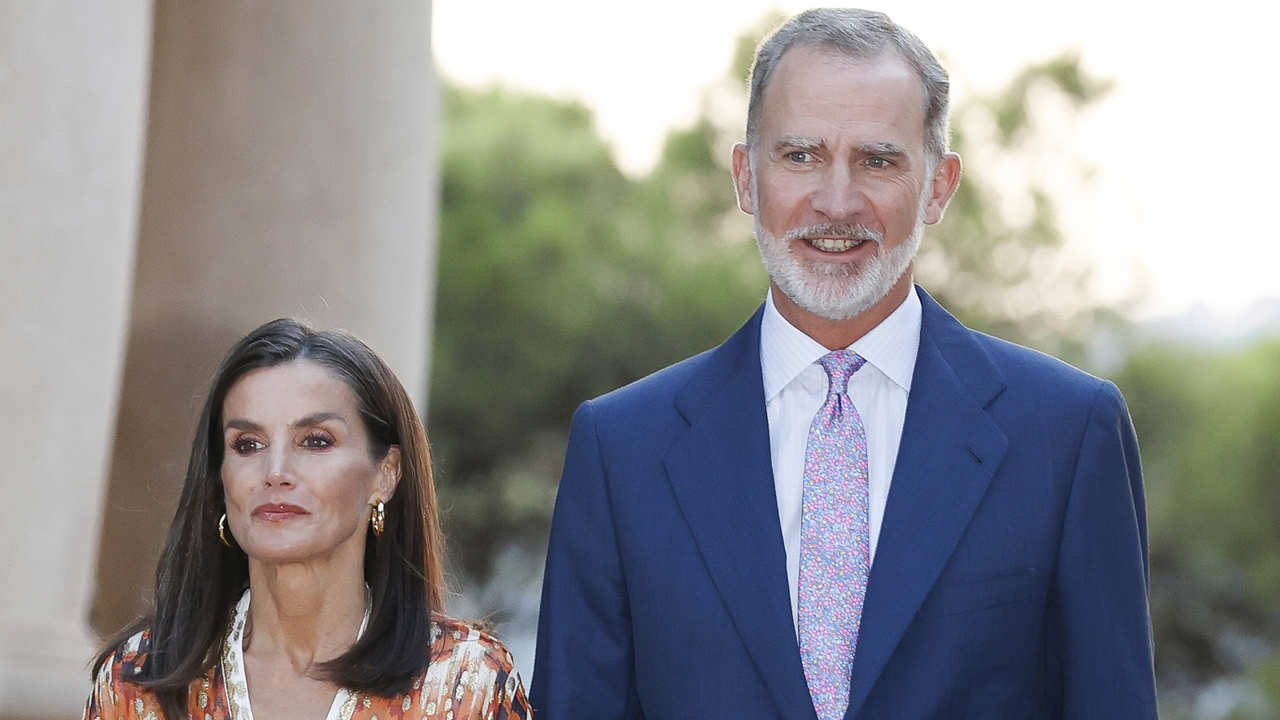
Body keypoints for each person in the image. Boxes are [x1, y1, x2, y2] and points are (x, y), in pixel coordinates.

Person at [531, 8, 1156, 719]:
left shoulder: (1069, 437)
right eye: (799, 156)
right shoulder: (621, 451)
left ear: (939, 187)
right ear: (745, 177)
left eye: (878, 160)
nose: (835, 201)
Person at [85, 319, 530, 720]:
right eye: (248, 445)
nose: (275, 472)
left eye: (315, 441)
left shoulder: (465, 685)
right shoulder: (136, 684)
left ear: (386, 474)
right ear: (220, 479)